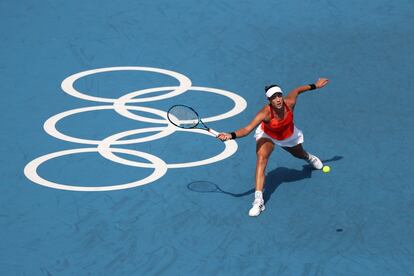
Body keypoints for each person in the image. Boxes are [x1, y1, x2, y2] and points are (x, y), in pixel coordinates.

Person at [217, 78, 329, 216]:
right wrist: (231, 135)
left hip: (287, 136)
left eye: (279, 95)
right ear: (269, 100)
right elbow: (247, 130)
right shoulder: (265, 113)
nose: (278, 99)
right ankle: (258, 201)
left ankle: (308, 157)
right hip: (268, 135)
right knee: (261, 159)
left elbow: (297, 90)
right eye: (273, 97)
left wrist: (315, 86)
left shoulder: (290, 102)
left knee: (299, 154)